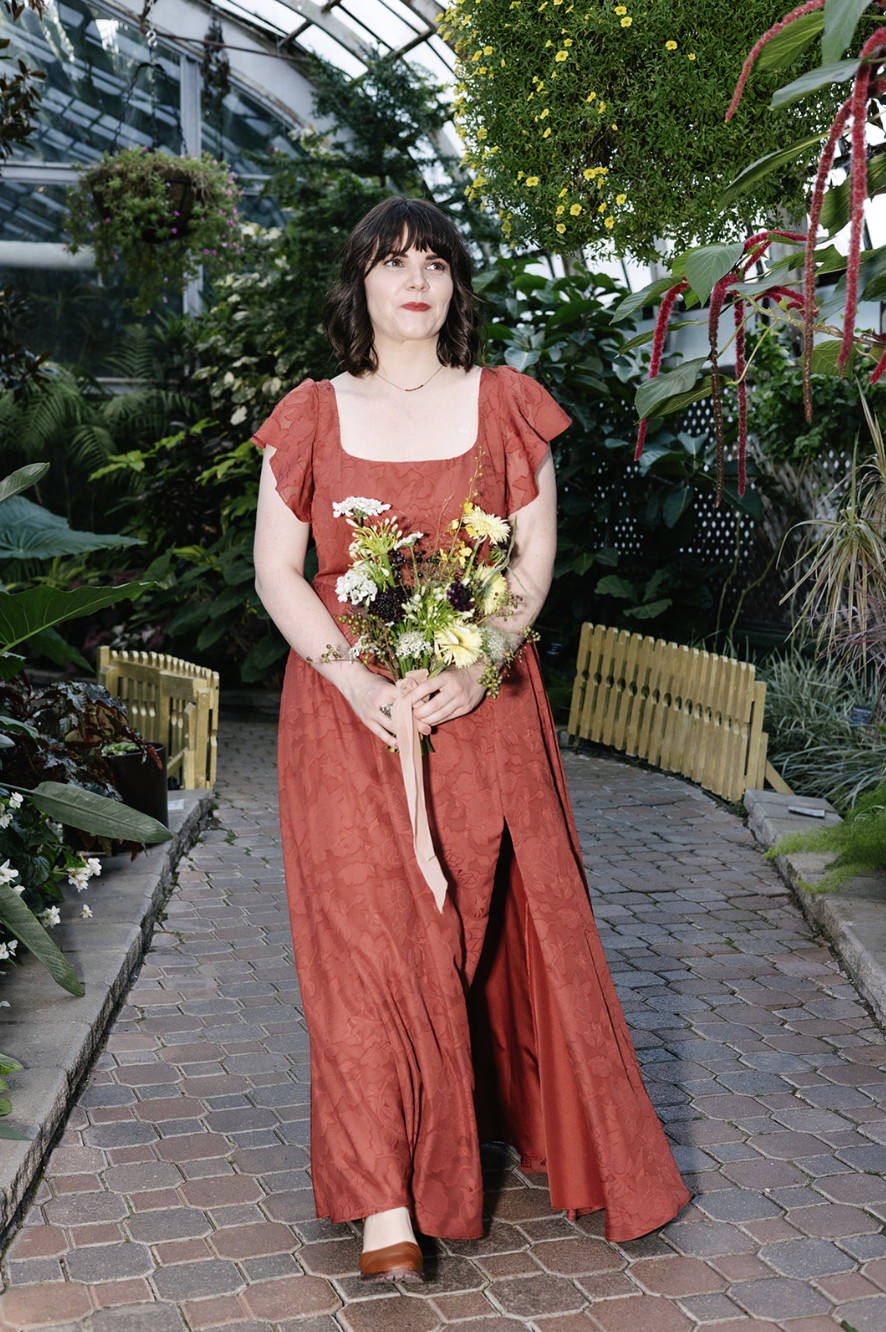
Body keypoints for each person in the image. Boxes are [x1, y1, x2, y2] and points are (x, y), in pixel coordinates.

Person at [252, 196, 689, 1283]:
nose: (417, 281)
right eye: (394, 262)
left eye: (437, 263)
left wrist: (477, 659)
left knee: (459, 933)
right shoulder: (310, 414)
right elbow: (276, 570)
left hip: (480, 711)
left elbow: (532, 563)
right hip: (345, 716)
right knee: (363, 949)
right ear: (358, 284)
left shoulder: (506, 404)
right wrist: (351, 677)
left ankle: (464, 1137)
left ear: (456, 286)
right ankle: (385, 1205)